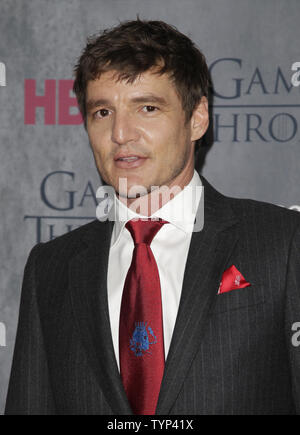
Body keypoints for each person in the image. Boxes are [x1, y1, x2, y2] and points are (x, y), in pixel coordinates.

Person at [5, 18, 300, 415]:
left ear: (197, 118)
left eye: (147, 107)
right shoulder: (51, 268)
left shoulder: (283, 242)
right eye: (103, 112)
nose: (122, 133)